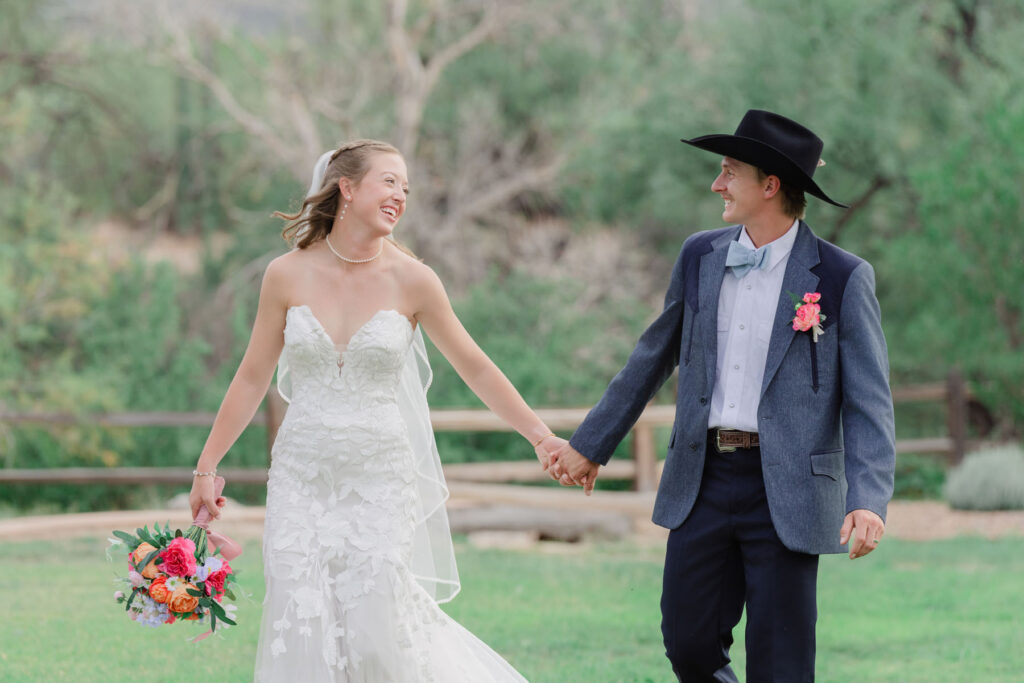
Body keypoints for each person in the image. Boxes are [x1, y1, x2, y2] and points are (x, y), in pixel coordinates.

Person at [188, 139, 564, 681]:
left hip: (379, 480)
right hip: (301, 476)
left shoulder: (414, 279)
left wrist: (540, 436)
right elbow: (251, 377)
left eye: (406, 188)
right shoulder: (285, 275)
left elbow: (475, 365)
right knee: (299, 618)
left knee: (376, 627)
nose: (400, 196)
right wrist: (207, 466)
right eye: (389, 181)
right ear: (347, 187)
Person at [549, 110, 896, 682]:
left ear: (770, 185)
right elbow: (651, 357)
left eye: (728, 172)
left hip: (787, 487)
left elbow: (868, 402)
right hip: (701, 479)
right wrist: (593, 444)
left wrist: (868, 499)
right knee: (687, 643)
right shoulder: (700, 256)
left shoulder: (841, 276)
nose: (716, 185)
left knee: (780, 663)